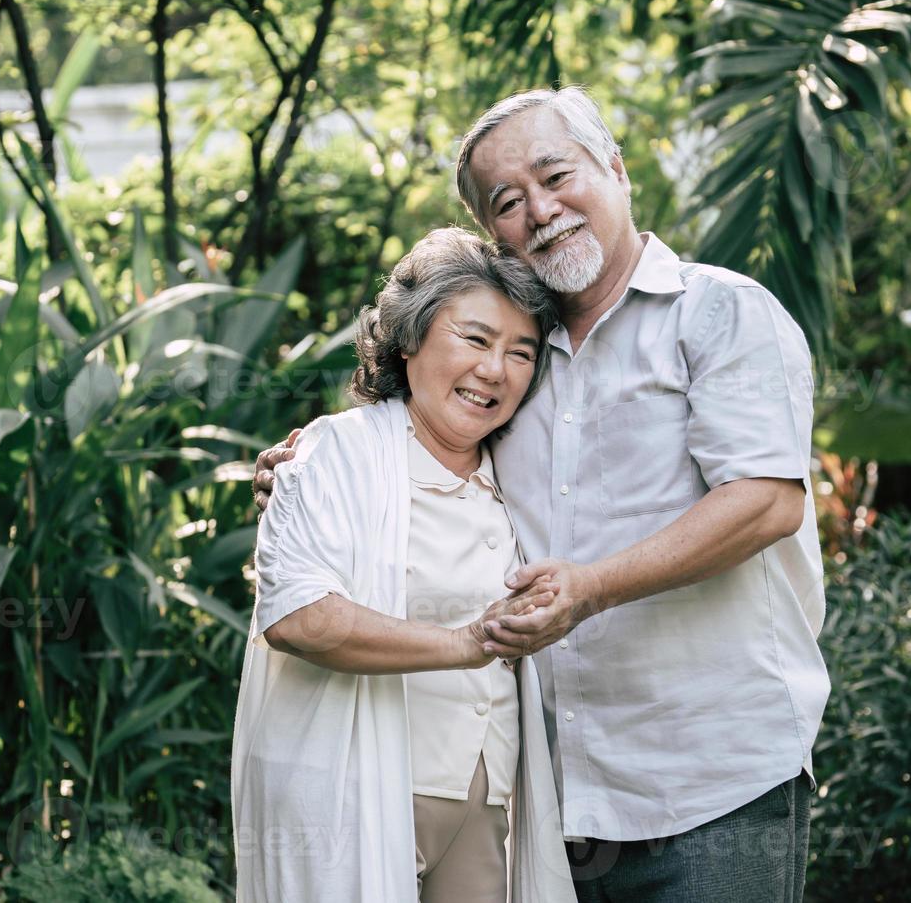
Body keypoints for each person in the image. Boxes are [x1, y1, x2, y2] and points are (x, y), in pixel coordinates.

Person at [254, 87, 831, 903]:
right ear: (496, 234)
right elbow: (419, 457)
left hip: (714, 778)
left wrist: (590, 588)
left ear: (617, 171)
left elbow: (767, 501)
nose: (542, 210)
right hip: (558, 801)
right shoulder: (515, 365)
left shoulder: (719, 312)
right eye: (509, 203)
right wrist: (312, 463)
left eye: (558, 176)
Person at [231, 227, 577, 903]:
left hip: (487, 794)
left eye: (520, 352)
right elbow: (299, 618)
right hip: (354, 786)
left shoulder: (527, 476)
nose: (495, 370)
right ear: (410, 337)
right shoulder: (334, 454)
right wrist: (467, 643)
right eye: (475, 340)